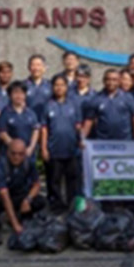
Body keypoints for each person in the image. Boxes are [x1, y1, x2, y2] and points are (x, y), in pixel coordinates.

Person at [0, 139, 46, 245]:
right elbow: (4, 195)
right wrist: (16, 226)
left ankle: (22, 219)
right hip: (4, 197)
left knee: (40, 201)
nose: (16, 157)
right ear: (7, 152)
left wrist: (28, 199)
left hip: (19, 195)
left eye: (20, 154)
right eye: (13, 153)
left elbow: (37, 185)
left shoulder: (28, 163)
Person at [41, 73, 83, 211]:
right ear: (52, 87)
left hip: (71, 149)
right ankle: (56, 206)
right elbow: (44, 128)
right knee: (54, 181)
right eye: (56, 85)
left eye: (62, 85)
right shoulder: (47, 105)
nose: (59, 88)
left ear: (67, 87)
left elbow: (78, 126)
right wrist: (44, 148)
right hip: (54, 149)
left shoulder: (73, 104)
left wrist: (81, 140)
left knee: (73, 180)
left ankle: (72, 206)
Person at [82, 69, 134, 142]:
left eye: (114, 80)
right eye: (108, 79)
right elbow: (89, 121)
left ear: (119, 81)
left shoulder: (128, 97)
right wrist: (82, 138)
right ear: (103, 80)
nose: (111, 82)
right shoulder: (96, 99)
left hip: (124, 141)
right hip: (103, 142)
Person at [0, 80, 40, 162]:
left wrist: (30, 148)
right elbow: (2, 133)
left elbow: (35, 131)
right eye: (15, 93)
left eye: (21, 93)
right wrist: (17, 149)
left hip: (28, 153)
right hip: (11, 155)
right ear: (10, 95)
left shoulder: (31, 112)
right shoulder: (5, 113)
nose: (18, 96)